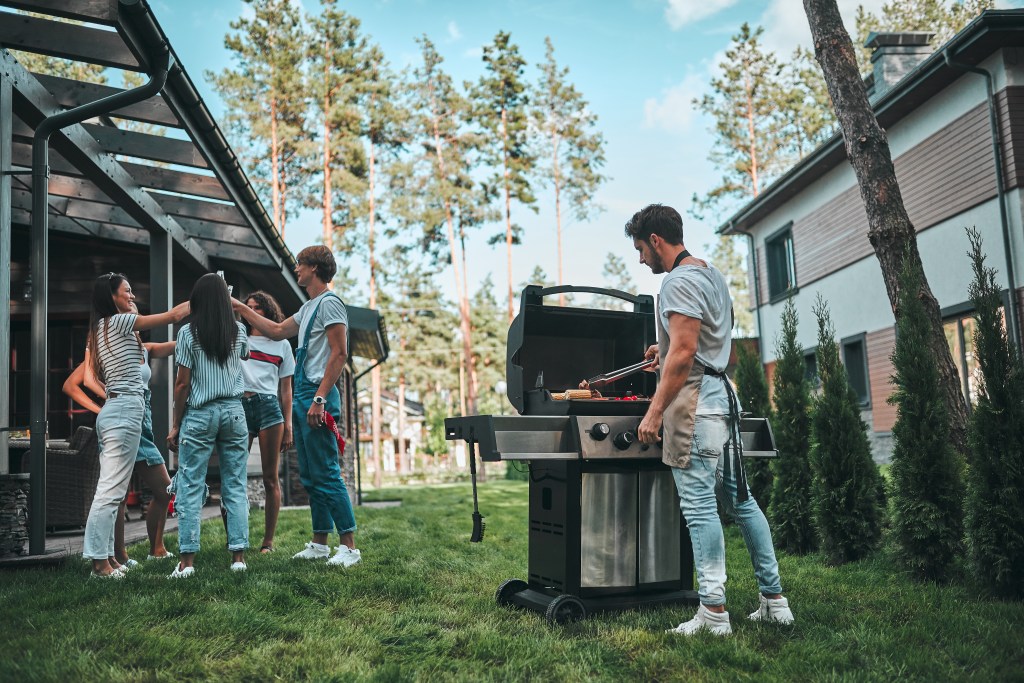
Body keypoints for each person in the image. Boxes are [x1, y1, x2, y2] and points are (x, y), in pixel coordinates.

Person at [624, 204, 793, 635]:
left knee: (700, 509)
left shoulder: (678, 281)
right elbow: (701, 340)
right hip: (724, 401)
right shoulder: (712, 275)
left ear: (657, 241)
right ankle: (775, 602)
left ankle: (713, 613)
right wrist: (664, 347)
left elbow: (685, 353)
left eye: (641, 249)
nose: (642, 259)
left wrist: (655, 409)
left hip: (696, 406)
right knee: (742, 502)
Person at [232, 245, 360, 568]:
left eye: (300, 265)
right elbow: (275, 330)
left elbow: (339, 354)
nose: (297, 269)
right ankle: (319, 543)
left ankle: (349, 547)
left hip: (317, 396)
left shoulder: (330, 305)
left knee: (328, 471)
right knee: (310, 475)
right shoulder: (307, 309)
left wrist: (319, 399)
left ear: (315, 268)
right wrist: (238, 307)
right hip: (304, 396)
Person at [82, 273, 189, 578]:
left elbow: (163, 344)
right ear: (111, 297)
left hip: (119, 410)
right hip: (125, 409)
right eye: (126, 292)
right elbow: (173, 315)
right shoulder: (116, 322)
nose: (131, 297)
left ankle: (107, 559)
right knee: (110, 491)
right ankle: (100, 565)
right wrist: (212, 297)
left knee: (112, 491)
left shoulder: (106, 328)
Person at [63, 331, 176, 567]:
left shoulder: (144, 348)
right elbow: (71, 385)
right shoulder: (108, 351)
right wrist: (99, 408)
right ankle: (118, 555)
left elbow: (177, 344)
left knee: (164, 489)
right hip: (121, 419)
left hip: (142, 423)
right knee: (119, 494)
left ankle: (156, 549)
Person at [166, 273, 251, 579]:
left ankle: (187, 563)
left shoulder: (188, 334)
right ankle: (238, 557)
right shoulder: (239, 331)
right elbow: (243, 356)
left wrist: (176, 424)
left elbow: (182, 384)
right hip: (234, 412)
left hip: (200, 414)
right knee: (235, 484)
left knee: (189, 485)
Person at [239, 291, 294, 553]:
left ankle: (268, 542)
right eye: (247, 307)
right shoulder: (239, 338)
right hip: (238, 406)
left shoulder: (281, 344)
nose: (251, 312)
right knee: (234, 476)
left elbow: (286, 390)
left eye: (257, 308)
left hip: (270, 409)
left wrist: (289, 426)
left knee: (270, 479)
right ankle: (235, 540)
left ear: (268, 312)